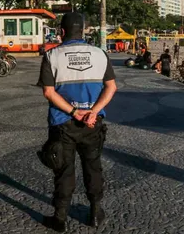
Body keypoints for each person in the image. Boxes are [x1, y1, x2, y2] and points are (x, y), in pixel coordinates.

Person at [37, 13, 117, 232]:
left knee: (63, 170)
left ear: (62, 32)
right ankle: (95, 212)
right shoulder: (100, 54)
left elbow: (48, 92)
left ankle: (60, 217)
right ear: (83, 30)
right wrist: (93, 112)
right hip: (93, 123)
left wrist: (74, 111)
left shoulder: (52, 55)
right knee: (93, 167)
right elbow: (111, 87)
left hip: (62, 123)